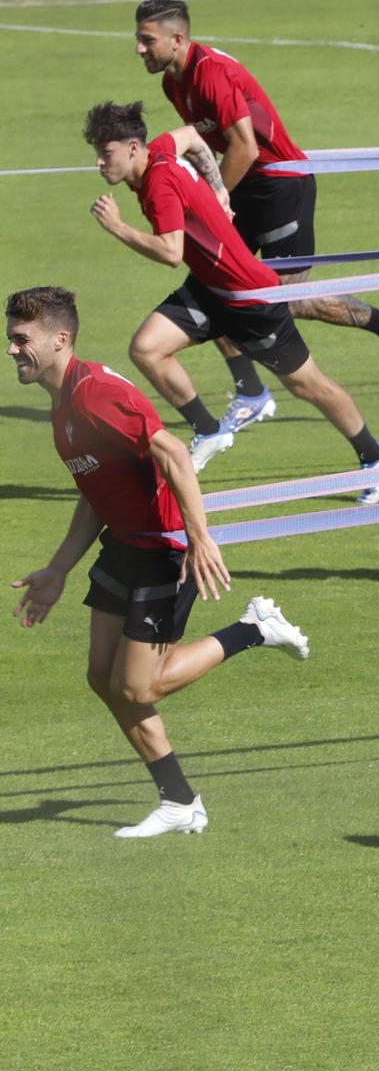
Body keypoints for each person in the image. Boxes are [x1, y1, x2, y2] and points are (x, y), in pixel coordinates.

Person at [7, 286, 311, 838]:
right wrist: (59, 569)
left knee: (139, 688)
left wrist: (199, 537)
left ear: (60, 339)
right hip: (123, 545)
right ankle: (179, 801)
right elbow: (96, 490)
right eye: (10, 339)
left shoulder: (98, 392)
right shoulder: (62, 406)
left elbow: (172, 451)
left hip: (163, 550)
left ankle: (253, 629)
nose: (11, 351)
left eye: (21, 340)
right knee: (103, 678)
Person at [134, 0, 379, 441]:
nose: (139, 48)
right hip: (246, 186)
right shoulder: (174, 84)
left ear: (178, 38)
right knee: (217, 278)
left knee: (289, 301)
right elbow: (213, 147)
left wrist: (214, 198)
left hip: (281, 188)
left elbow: (245, 147)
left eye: (147, 39)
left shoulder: (211, 73)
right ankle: (250, 391)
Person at [84, 100, 379, 501]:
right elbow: (194, 138)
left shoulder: (160, 183)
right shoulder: (160, 149)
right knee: (146, 348)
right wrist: (218, 190)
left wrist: (117, 228)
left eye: (105, 152)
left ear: (131, 148)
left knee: (308, 385)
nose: (98, 162)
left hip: (251, 299)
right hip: (210, 289)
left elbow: (169, 252)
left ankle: (376, 455)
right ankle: (210, 431)